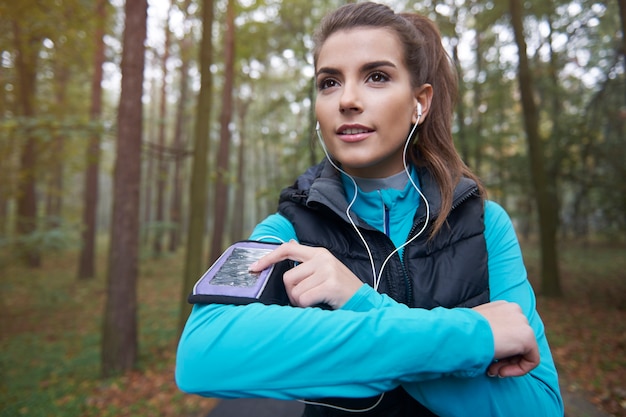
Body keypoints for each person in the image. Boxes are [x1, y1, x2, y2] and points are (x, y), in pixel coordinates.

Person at [175, 2, 563, 416]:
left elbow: (538, 406)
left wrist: (361, 304)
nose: (348, 99)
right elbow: (203, 353)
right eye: (329, 83)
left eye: (376, 76)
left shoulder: (485, 225)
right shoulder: (286, 229)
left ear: (420, 102)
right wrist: (473, 338)